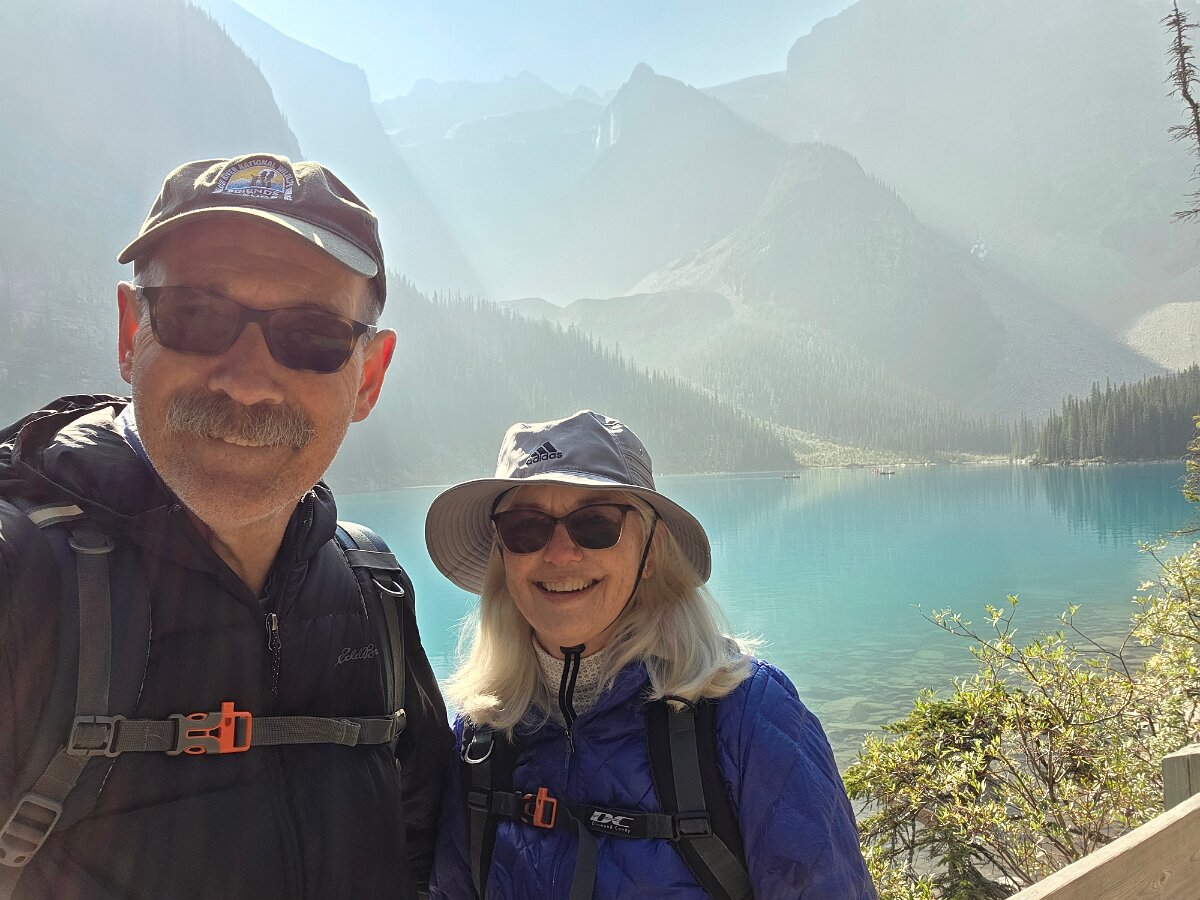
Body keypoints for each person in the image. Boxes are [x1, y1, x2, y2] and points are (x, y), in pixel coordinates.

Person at [0, 154, 452, 899]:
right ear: (131, 333)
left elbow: (423, 855)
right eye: (197, 316)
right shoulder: (23, 581)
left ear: (368, 377)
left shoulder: (373, 595)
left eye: (311, 334)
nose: (244, 381)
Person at [424, 410, 877, 899]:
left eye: (595, 523)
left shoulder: (747, 716)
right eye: (525, 528)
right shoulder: (481, 737)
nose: (559, 553)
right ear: (502, 553)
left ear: (651, 551)